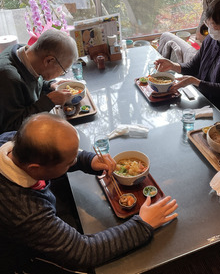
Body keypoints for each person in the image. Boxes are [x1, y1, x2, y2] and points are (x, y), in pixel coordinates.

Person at [0, 113, 178, 273]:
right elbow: (83, 251)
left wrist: (88, 160)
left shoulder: (12, 141)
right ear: (35, 169)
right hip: (23, 257)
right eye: (70, 163)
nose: (75, 161)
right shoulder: (22, 209)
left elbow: (59, 155)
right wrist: (143, 224)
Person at [155, 0, 220, 116]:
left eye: (214, 26)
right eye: (209, 23)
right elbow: (193, 66)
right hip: (204, 99)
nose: (210, 29)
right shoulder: (212, 39)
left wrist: (195, 82)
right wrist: (172, 65)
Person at [0, 29, 79, 133]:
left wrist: (51, 85)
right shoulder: (8, 78)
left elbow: (35, 80)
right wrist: (49, 101)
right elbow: (12, 126)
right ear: (49, 60)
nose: (61, 74)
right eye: (63, 70)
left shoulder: (28, 55)